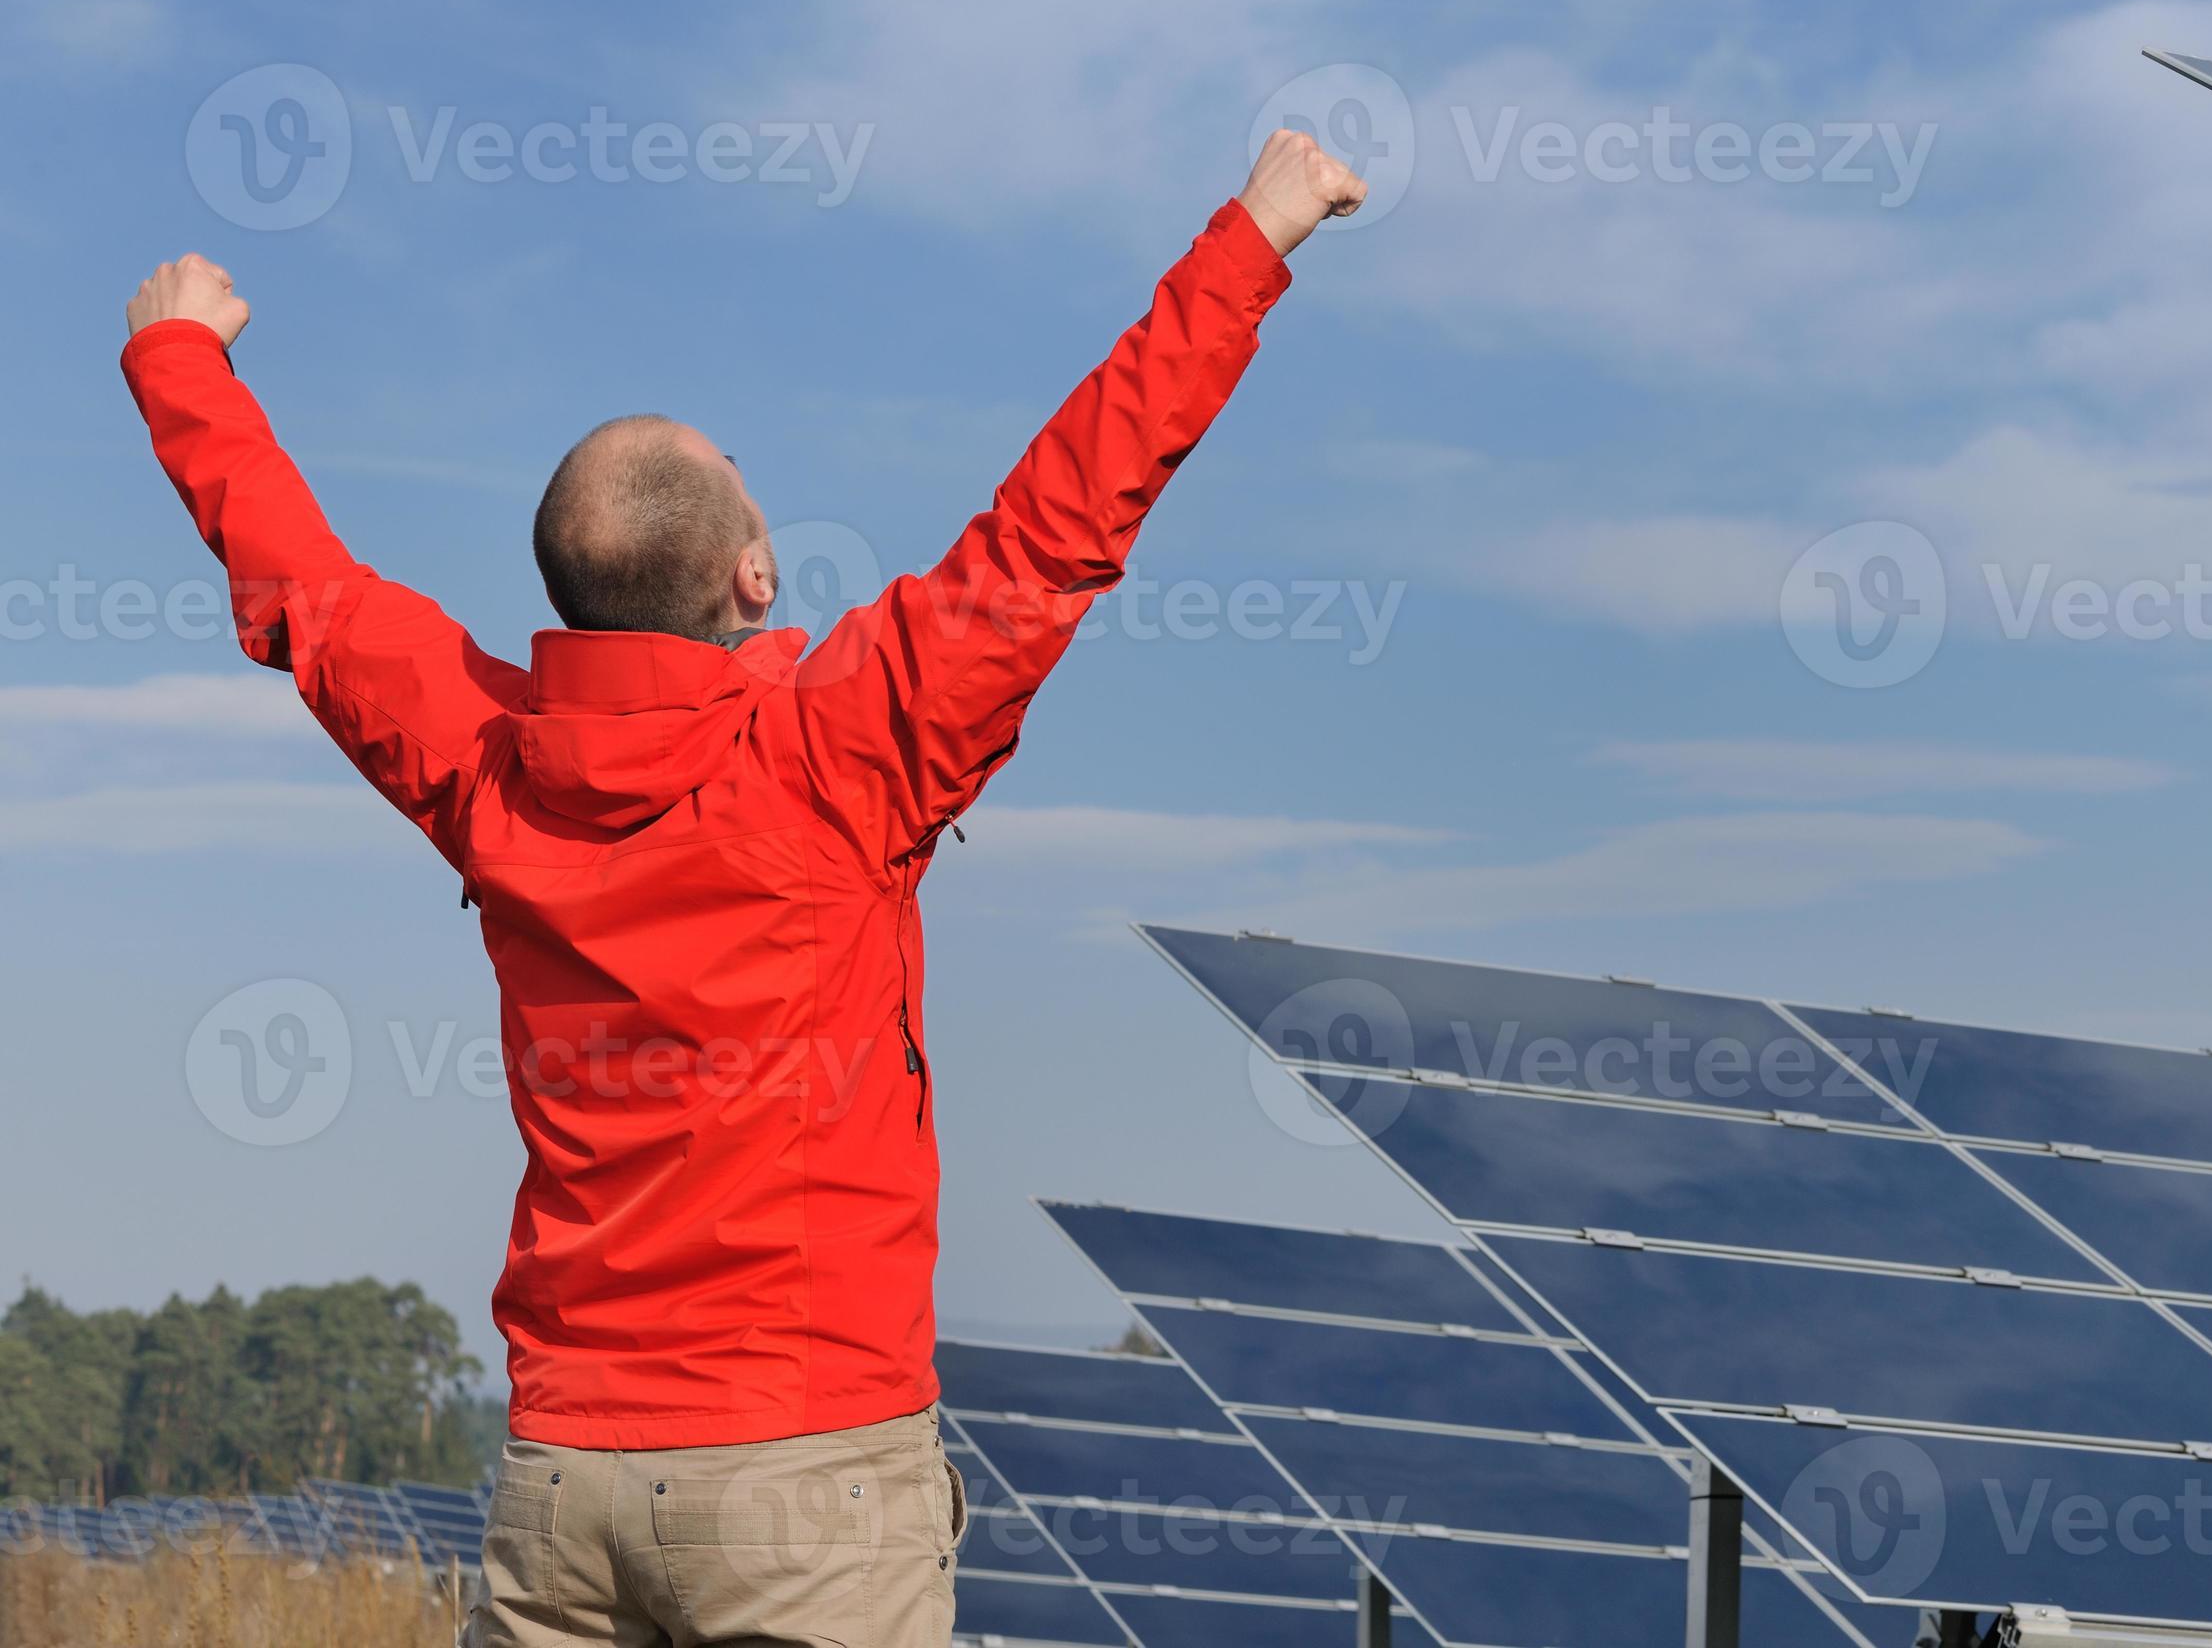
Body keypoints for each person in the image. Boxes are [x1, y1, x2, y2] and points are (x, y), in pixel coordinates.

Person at [118, 132, 1369, 1647]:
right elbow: (1059, 521)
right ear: (753, 579)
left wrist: (182, 359)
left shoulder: (488, 764)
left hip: (565, 1488)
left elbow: (307, 595)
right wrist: (1255, 234)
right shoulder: (851, 747)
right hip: (806, 1483)